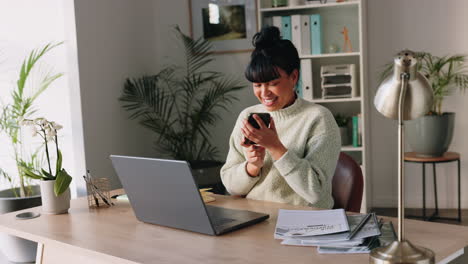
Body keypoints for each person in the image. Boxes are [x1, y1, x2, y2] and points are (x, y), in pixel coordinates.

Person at [220, 26, 341, 208]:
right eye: (257, 85)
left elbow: (315, 193)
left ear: (293, 76)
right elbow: (231, 187)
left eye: (273, 83)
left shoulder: (318, 118)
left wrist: (275, 147)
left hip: (304, 221)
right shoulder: (247, 116)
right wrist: (252, 166)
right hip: (256, 216)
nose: (264, 93)